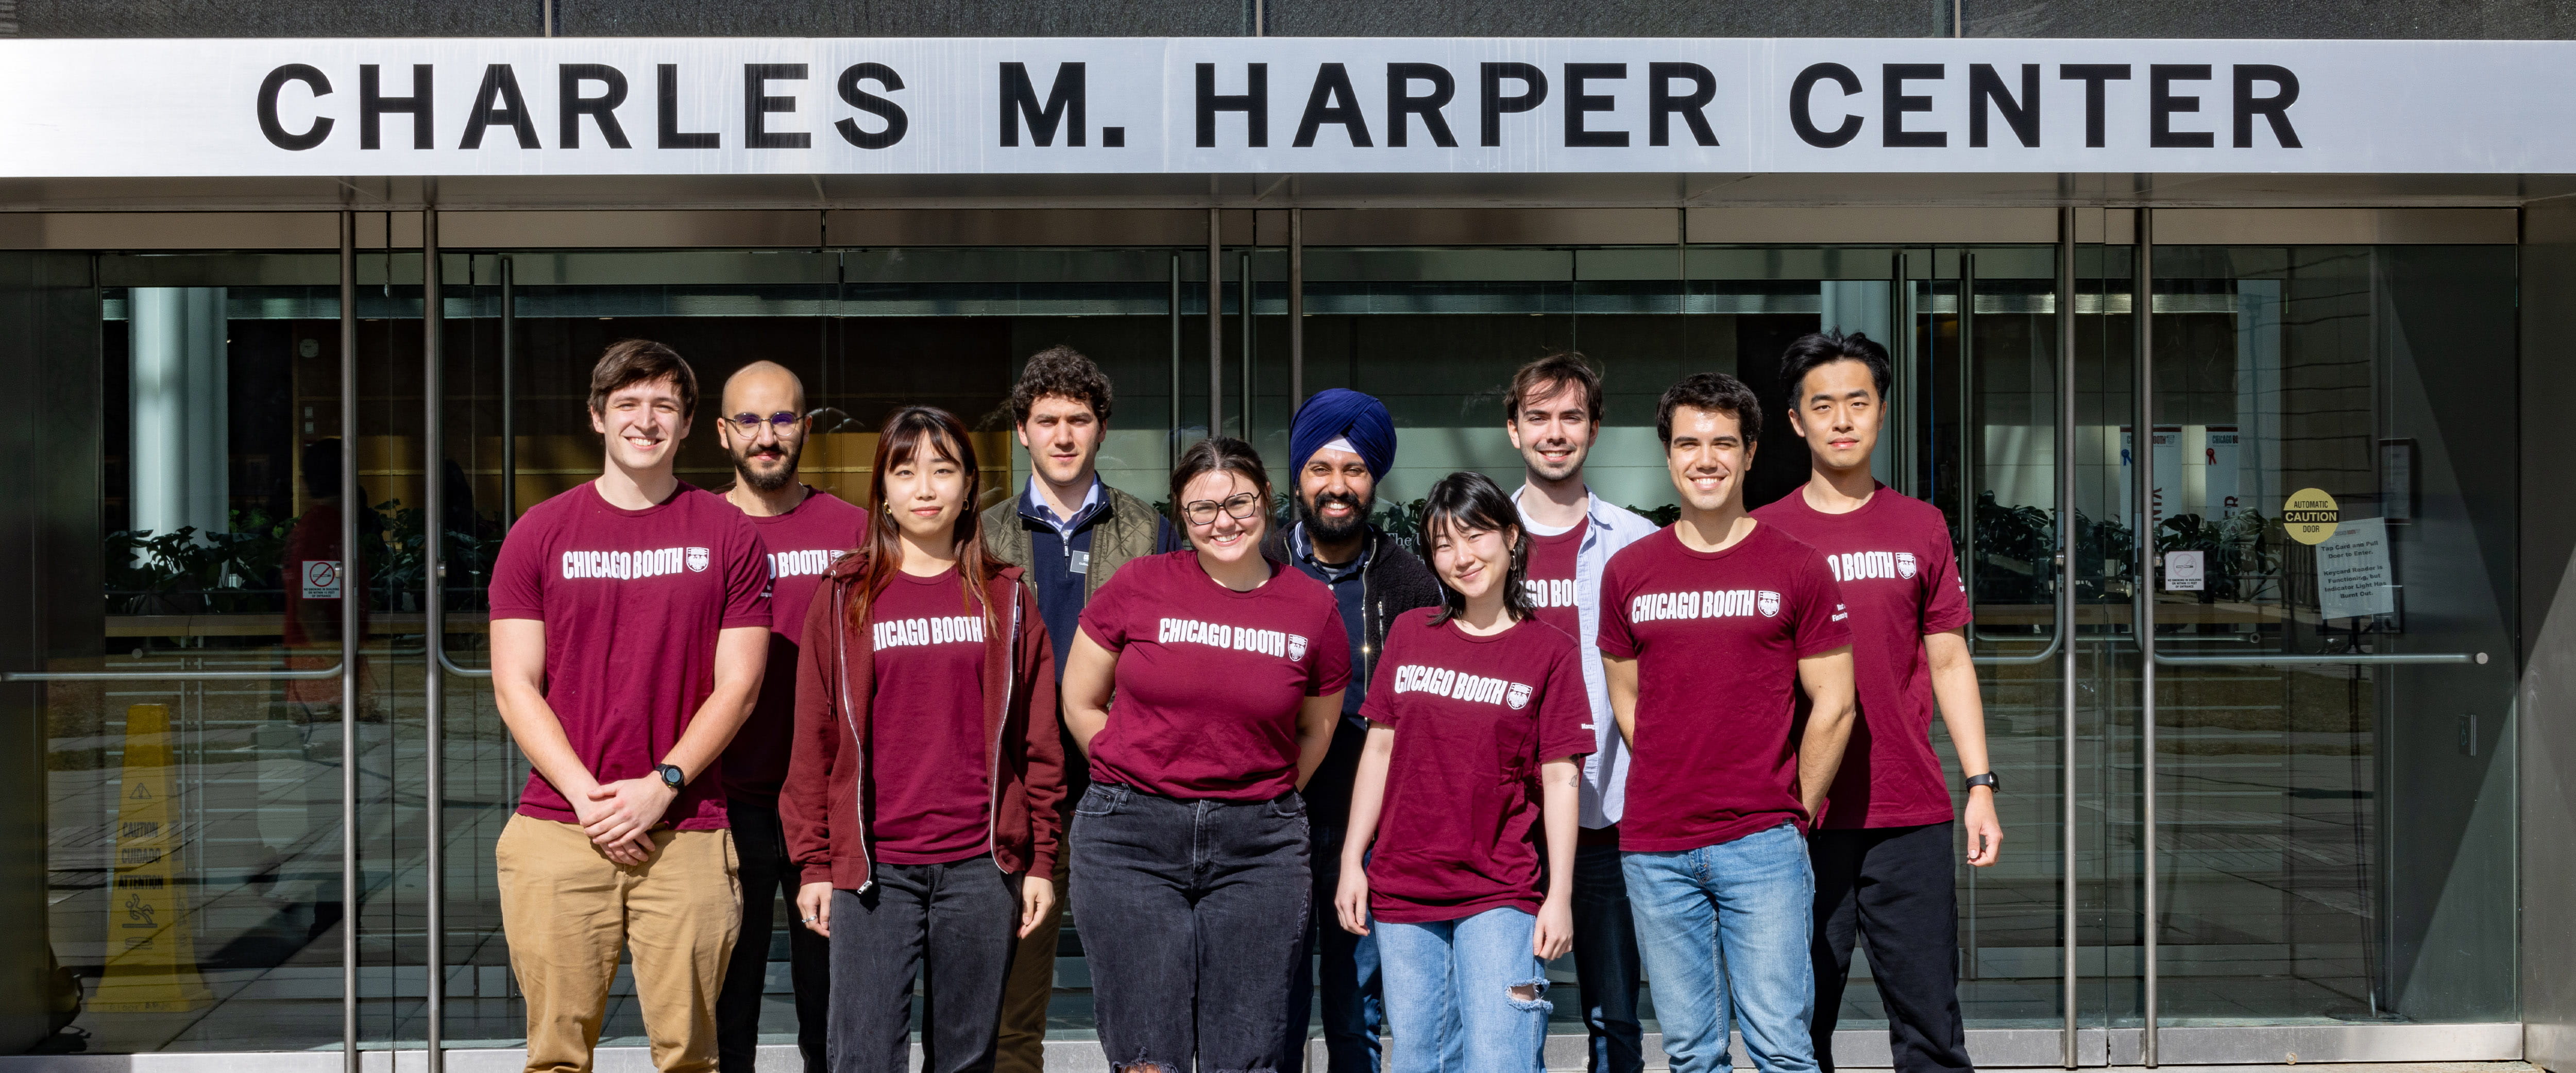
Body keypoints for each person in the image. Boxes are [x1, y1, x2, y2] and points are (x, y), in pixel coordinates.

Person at [487, 339, 773, 1073]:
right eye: (628, 403)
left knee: (690, 1056)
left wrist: (662, 785)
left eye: (664, 406)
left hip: (688, 830)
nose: (645, 420)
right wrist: (591, 798)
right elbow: (515, 682)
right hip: (559, 829)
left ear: (685, 426)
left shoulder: (728, 532)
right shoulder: (539, 532)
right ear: (596, 417)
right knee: (555, 1055)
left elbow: (738, 685)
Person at [781, 405, 1065, 1073]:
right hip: (873, 871)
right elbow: (812, 742)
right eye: (906, 471)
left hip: (979, 867)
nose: (926, 487)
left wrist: (1043, 860)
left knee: (966, 1059)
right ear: (882, 487)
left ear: (971, 486)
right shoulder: (845, 594)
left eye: (944, 469)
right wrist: (815, 862)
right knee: (862, 1056)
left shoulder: (1006, 596)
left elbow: (1040, 742)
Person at [1749, 331, 2002, 1073]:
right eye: (1822, 405)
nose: (1841, 420)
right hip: (1803, 817)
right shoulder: (1765, 531)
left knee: (1930, 1025)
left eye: (1858, 402)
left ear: (1881, 412)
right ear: (1796, 421)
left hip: (1910, 813)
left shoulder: (1920, 524)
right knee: (1798, 1024)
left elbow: (1950, 659)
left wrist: (1980, 785)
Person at [1059, 436, 1349, 1073]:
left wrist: (1262, 789)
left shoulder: (1311, 607)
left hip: (1258, 851)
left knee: (1247, 1056)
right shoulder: (1139, 584)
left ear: (1266, 499)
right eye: (1200, 510)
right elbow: (1079, 699)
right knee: (1145, 1058)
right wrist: (1126, 768)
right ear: (1180, 516)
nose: (1223, 522)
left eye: (1239, 501)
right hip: (1130, 839)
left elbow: (1317, 730)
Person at [1598, 372, 1859, 1073]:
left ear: (1749, 453)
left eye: (1722, 443)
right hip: (1656, 845)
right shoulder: (1630, 571)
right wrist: (1669, 771)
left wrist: (1791, 813)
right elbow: (1628, 699)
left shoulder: (1798, 566)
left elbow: (1835, 702)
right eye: (1688, 443)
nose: (1704, 458)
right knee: (1691, 1050)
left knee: (1780, 1046)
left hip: (1763, 843)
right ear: (1668, 454)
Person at [1333, 470, 1592, 1073]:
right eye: (1443, 544)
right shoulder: (1409, 633)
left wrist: (1559, 895)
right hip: (1403, 888)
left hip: (1499, 888)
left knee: (1499, 1057)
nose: (1460, 556)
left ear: (1509, 537)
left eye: (1474, 535)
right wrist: (1353, 860)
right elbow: (1378, 750)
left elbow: (1560, 779)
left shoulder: (1548, 650)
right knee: (1420, 1060)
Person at [978, 346, 1183, 1071]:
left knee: (1141, 996)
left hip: (1120, 785)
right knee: (1013, 998)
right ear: (1023, 431)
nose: (1064, 435)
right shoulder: (986, 534)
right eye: (1048, 420)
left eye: (1080, 419)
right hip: (1022, 787)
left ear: (1101, 430)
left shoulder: (1150, 531)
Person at [1260, 388, 1441, 1073]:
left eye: (1356, 469)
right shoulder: (1263, 562)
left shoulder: (1413, 582)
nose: (1338, 486)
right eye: (1322, 468)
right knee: (1269, 1011)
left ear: (1376, 478)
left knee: (1356, 1014)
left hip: (1371, 831)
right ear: (1299, 476)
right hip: (1272, 824)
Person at [1500, 352, 1660, 1073]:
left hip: (1608, 811)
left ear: (1595, 429)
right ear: (1513, 431)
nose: (1554, 432)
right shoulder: (1480, 544)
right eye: (1538, 417)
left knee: (1615, 1011)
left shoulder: (1637, 543)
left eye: (1571, 417)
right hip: (1504, 818)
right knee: (1507, 1009)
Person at [711, 361, 862, 1073]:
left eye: (782, 418)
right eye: (749, 419)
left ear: (806, 425)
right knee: (726, 1003)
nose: (766, 436)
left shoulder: (856, 533)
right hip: (721, 798)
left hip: (831, 804)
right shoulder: (700, 530)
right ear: (722, 433)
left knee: (830, 1003)